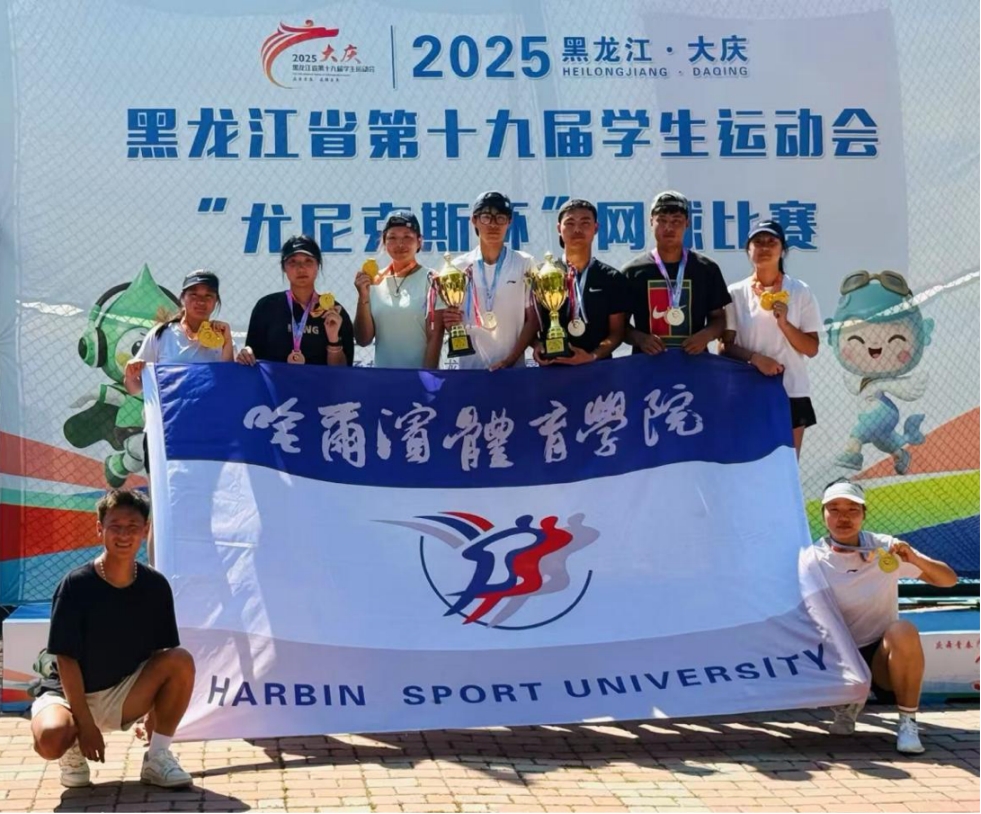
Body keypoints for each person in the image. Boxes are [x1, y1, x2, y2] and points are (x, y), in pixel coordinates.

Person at [30, 489, 196, 788]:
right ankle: (72, 748)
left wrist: (152, 716)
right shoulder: (75, 585)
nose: (124, 535)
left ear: (145, 530)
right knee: (51, 739)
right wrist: (84, 724)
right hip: (68, 693)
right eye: (115, 526)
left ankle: (158, 757)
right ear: (99, 529)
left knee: (180, 660)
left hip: (122, 693)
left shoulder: (156, 586)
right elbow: (65, 660)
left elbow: (159, 653)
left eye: (133, 527)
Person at [811, 480, 957, 754]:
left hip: (880, 661)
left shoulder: (888, 548)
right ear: (823, 515)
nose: (843, 517)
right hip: (834, 661)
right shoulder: (810, 558)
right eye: (834, 509)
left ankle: (908, 724)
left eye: (852, 509)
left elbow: (948, 580)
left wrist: (913, 559)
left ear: (864, 514)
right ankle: (845, 704)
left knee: (903, 630)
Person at [720, 221, 821, 457]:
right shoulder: (735, 293)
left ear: (782, 250)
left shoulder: (800, 291)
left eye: (772, 242)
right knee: (749, 464)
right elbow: (725, 347)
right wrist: (756, 359)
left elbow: (812, 348)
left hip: (790, 391)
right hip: (747, 391)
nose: (764, 247)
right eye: (758, 242)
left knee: (787, 468)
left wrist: (785, 324)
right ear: (748, 250)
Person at [424, 191, 537, 370]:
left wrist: (509, 361)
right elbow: (449, 323)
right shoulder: (457, 267)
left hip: (513, 370)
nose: (493, 224)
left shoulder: (524, 263)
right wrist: (450, 322)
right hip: (469, 370)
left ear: (509, 222)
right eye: (486, 217)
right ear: (474, 220)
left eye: (500, 218)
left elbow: (533, 320)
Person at [622, 190, 731, 355]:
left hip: (694, 363)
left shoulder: (707, 269)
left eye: (676, 221)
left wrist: (706, 336)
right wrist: (640, 339)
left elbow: (718, 318)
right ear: (651, 222)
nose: (669, 227)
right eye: (662, 220)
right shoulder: (632, 272)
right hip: (647, 363)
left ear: (687, 223)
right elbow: (618, 326)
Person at [533, 199, 627, 366]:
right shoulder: (542, 274)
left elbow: (617, 333)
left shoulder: (611, 278)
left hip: (597, 369)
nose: (577, 229)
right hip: (552, 370)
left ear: (596, 228)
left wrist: (592, 356)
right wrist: (536, 345)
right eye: (570, 223)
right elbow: (529, 323)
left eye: (585, 223)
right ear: (558, 229)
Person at [237, 234, 355, 366]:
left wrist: (333, 340)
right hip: (278, 380)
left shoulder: (334, 311)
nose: (301, 268)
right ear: (284, 268)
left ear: (318, 265)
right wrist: (246, 353)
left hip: (318, 381)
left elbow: (342, 372)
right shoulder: (266, 307)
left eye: (308, 261)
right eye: (293, 262)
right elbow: (252, 355)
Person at [353, 211, 430, 368]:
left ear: (419, 241)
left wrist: (429, 375)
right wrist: (363, 297)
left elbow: (436, 336)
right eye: (392, 237)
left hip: (420, 376)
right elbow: (363, 339)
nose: (400, 244)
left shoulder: (431, 280)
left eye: (407, 237)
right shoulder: (374, 281)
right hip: (383, 377)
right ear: (384, 242)